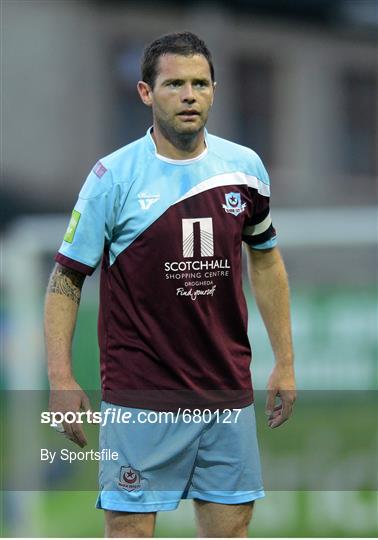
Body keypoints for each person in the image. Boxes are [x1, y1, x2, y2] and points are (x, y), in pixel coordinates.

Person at [45, 31, 296, 538]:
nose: (188, 95)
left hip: (225, 390)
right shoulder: (112, 177)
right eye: (174, 83)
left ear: (214, 91)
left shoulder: (244, 170)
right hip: (141, 396)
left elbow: (266, 261)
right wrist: (61, 380)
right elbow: (65, 281)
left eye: (200, 83)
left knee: (231, 531)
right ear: (145, 93)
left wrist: (286, 362)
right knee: (131, 530)